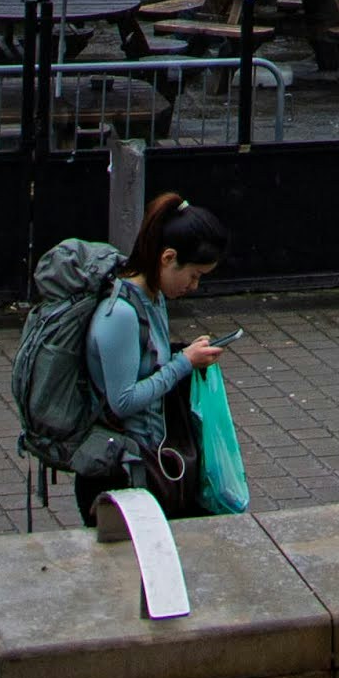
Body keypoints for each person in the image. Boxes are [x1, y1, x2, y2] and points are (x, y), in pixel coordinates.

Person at [78, 194, 234, 521]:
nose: (195, 285)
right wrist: (184, 363)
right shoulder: (119, 314)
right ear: (168, 257)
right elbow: (122, 400)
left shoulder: (153, 298)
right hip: (121, 477)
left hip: (152, 464)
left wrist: (189, 357)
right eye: (194, 274)